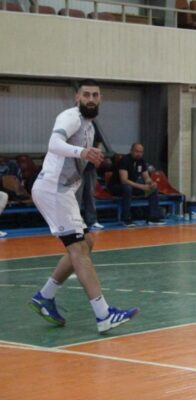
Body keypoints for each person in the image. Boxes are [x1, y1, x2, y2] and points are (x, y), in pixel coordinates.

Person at [29, 79, 138, 334]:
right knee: (78, 249)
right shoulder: (71, 117)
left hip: (63, 191)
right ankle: (104, 315)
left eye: (95, 95)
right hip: (52, 189)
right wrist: (83, 152)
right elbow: (54, 144)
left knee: (86, 242)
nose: (91, 99)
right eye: (86, 94)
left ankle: (45, 296)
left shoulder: (89, 126)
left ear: (100, 99)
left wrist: (92, 156)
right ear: (77, 97)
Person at [109, 143, 165, 227]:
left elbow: (146, 177)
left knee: (153, 189)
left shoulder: (141, 161)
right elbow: (124, 180)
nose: (139, 154)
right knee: (127, 188)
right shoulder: (124, 160)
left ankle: (153, 217)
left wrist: (151, 183)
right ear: (131, 151)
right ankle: (126, 218)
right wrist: (142, 186)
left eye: (141, 152)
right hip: (117, 187)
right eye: (137, 151)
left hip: (132, 187)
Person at [76, 123, 104, 231]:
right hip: (76, 167)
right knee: (76, 196)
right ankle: (76, 222)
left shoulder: (92, 124)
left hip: (90, 167)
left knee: (90, 195)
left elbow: (99, 142)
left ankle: (92, 221)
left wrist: (97, 157)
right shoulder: (72, 123)